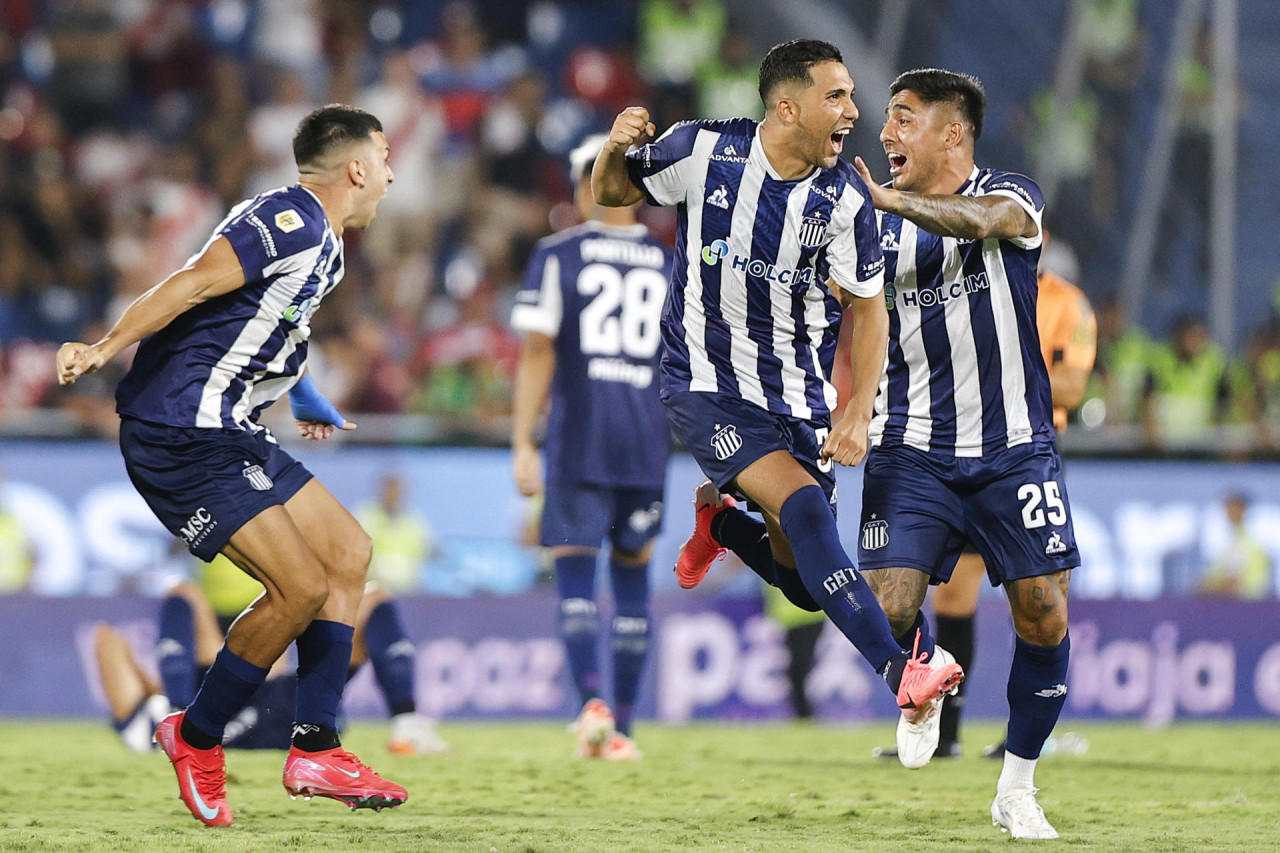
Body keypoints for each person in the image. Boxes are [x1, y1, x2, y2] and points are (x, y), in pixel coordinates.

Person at [592, 39, 963, 733]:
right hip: (703, 384)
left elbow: (869, 307)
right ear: (788, 107)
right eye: (837, 96)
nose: (855, 111)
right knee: (805, 510)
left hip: (796, 397)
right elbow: (612, 191)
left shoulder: (847, 198)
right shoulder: (703, 151)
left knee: (800, 583)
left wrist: (856, 411)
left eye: (852, 96)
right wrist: (615, 149)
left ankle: (722, 521)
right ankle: (901, 671)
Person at [55, 104, 405, 826]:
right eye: (386, 157)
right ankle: (195, 735)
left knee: (349, 551)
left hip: (229, 426)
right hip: (178, 429)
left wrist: (305, 396)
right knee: (300, 586)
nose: (394, 174)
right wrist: (101, 346)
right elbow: (192, 283)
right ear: (358, 168)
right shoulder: (292, 219)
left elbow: (274, 328)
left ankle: (316, 746)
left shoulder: (327, 245)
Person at [845, 69, 1079, 838]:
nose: (886, 134)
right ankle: (921, 685)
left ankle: (1016, 786)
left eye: (903, 119)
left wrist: (889, 200)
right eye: (886, 119)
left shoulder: (1011, 193)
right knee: (888, 606)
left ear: (952, 132)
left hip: (1014, 448)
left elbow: (983, 222)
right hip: (910, 446)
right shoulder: (869, 226)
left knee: (1042, 615)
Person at [873, 234, 1096, 763]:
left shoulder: (1066, 302)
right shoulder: (965, 283)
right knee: (952, 598)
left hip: (1028, 450)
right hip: (965, 443)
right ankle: (947, 736)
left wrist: (1004, 372)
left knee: (1038, 600)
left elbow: (1069, 388)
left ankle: (1027, 739)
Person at [511, 134, 674, 761]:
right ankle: (625, 731)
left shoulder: (559, 254)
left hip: (579, 439)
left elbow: (537, 351)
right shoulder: (670, 263)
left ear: (586, 187)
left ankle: (591, 706)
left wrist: (523, 440)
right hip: (646, 442)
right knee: (634, 579)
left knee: (576, 575)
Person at [97, 581, 448, 757]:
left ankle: (406, 722)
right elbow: (105, 643)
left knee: (184, 590)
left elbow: (106, 642)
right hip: (284, 710)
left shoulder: (143, 721)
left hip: (217, 708)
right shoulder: (138, 726)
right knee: (373, 599)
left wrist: (163, 693)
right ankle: (405, 719)